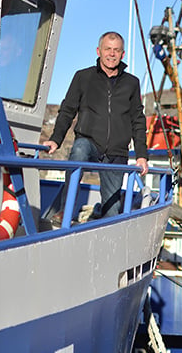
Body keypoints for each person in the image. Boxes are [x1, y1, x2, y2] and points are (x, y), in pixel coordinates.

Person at [44, 31, 148, 221]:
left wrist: (141, 155)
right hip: (90, 141)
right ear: (98, 51)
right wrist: (55, 140)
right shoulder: (83, 77)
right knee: (79, 149)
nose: (112, 54)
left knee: (112, 211)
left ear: (122, 54)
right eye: (108, 49)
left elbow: (138, 120)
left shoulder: (131, 83)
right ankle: (65, 211)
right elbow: (67, 110)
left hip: (117, 152)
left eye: (116, 50)